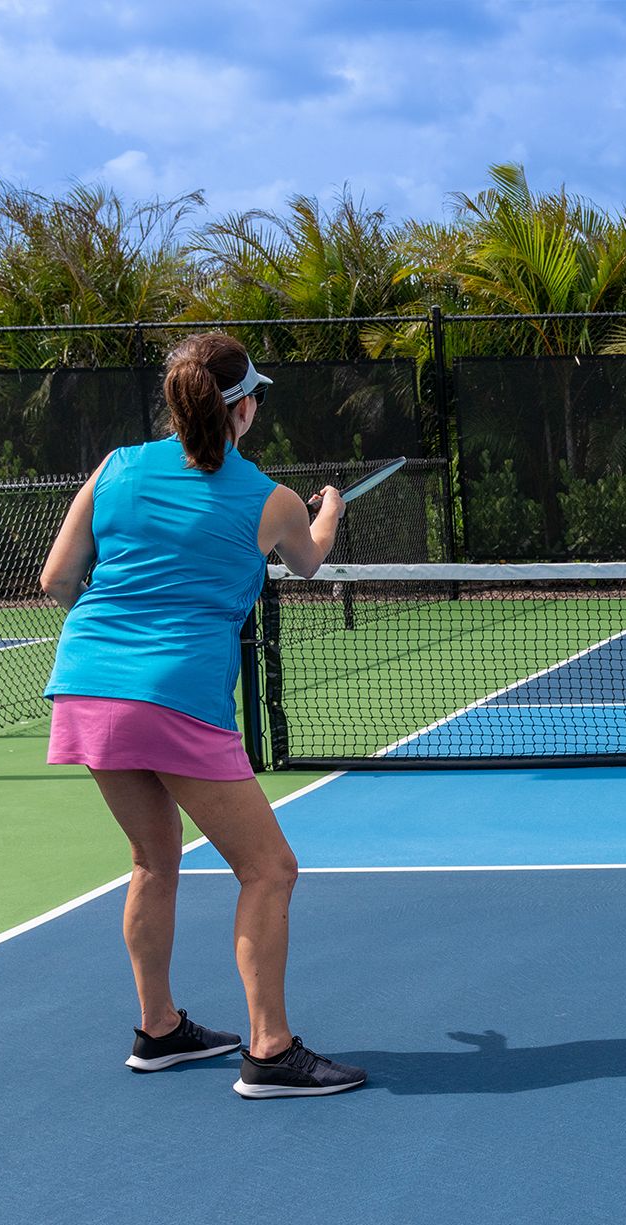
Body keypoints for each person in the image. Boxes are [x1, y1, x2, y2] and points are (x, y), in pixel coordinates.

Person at [39, 332, 366, 1099]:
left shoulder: (116, 466)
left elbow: (58, 579)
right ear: (243, 407)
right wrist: (331, 511)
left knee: (154, 858)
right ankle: (271, 1050)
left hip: (87, 684)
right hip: (176, 695)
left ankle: (159, 1030)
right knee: (270, 869)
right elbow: (309, 559)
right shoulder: (272, 499)